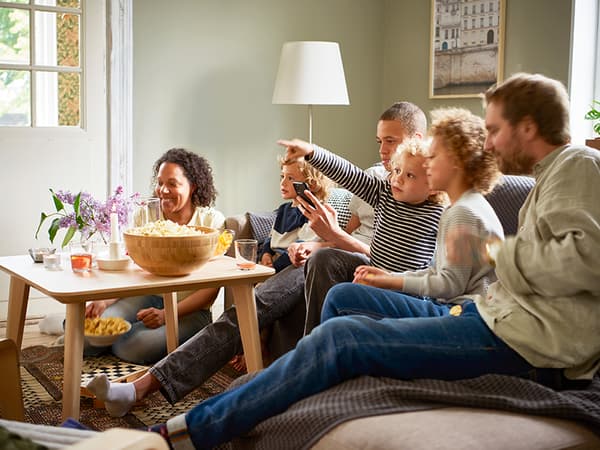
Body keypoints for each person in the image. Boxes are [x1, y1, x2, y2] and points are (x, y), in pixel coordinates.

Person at [88, 73, 600, 450]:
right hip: (493, 319)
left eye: (494, 130)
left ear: (528, 127)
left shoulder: (576, 164)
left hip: (518, 341)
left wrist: (489, 254)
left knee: (343, 334)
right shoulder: (542, 179)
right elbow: (358, 178)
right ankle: (264, 387)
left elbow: (582, 261)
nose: (488, 144)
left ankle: (175, 433)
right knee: (337, 295)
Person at [321, 108, 502, 326]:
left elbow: (449, 286)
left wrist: (392, 282)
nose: (429, 164)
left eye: (434, 157)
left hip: (461, 313)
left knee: (341, 296)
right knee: (343, 299)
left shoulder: (461, 213)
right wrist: (388, 278)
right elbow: (440, 273)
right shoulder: (466, 205)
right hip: (458, 306)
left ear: (456, 164)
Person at [84, 148, 226, 365]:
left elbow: (210, 290)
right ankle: (110, 336)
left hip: (188, 310)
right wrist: (106, 300)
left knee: (133, 347)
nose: (163, 191)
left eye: (172, 184)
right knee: (89, 333)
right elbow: (133, 266)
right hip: (144, 297)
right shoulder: (146, 215)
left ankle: (121, 341)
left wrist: (165, 314)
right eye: (160, 183)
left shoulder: (211, 223)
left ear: (193, 186)